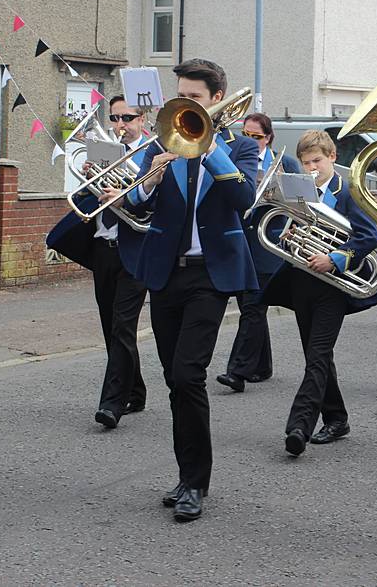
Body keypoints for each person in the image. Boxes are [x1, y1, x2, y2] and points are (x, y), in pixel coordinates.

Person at [103, 58, 258, 521]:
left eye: (193, 98)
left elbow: (243, 199)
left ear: (215, 99)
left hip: (211, 274)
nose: (183, 105)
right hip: (166, 271)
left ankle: (195, 481)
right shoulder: (159, 143)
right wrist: (149, 179)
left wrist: (208, 149)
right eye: (181, 96)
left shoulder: (240, 146)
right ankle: (186, 472)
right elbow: (131, 203)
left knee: (189, 375)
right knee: (174, 378)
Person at [263, 130, 377, 456]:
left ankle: (299, 426)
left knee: (316, 356)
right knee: (317, 355)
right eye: (306, 162)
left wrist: (336, 258)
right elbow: (281, 227)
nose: (312, 167)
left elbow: (369, 236)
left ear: (332, 157)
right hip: (302, 280)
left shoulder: (349, 193)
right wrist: (287, 234)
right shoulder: (300, 191)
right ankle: (337, 418)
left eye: (317, 160)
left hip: (333, 286)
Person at [46, 96, 153, 430]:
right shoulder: (105, 148)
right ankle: (135, 390)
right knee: (111, 325)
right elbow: (92, 195)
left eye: (127, 118)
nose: (120, 124)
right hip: (104, 247)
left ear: (142, 119)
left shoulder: (151, 153)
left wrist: (130, 188)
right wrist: (92, 178)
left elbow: (152, 204)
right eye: (115, 118)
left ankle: (111, 403)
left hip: (137, 248)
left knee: (123, 324)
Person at [217, 112, 301, 392]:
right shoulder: (235, 158)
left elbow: (303, 205)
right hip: (240, 242)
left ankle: (237, 371)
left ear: (268, 138)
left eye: (257, 137)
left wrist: (276, 193)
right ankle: (262, 366)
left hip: (269, 244)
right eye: (247, 135)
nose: (251, 141)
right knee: (250, 307)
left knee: (253, 307)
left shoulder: (285, 163)